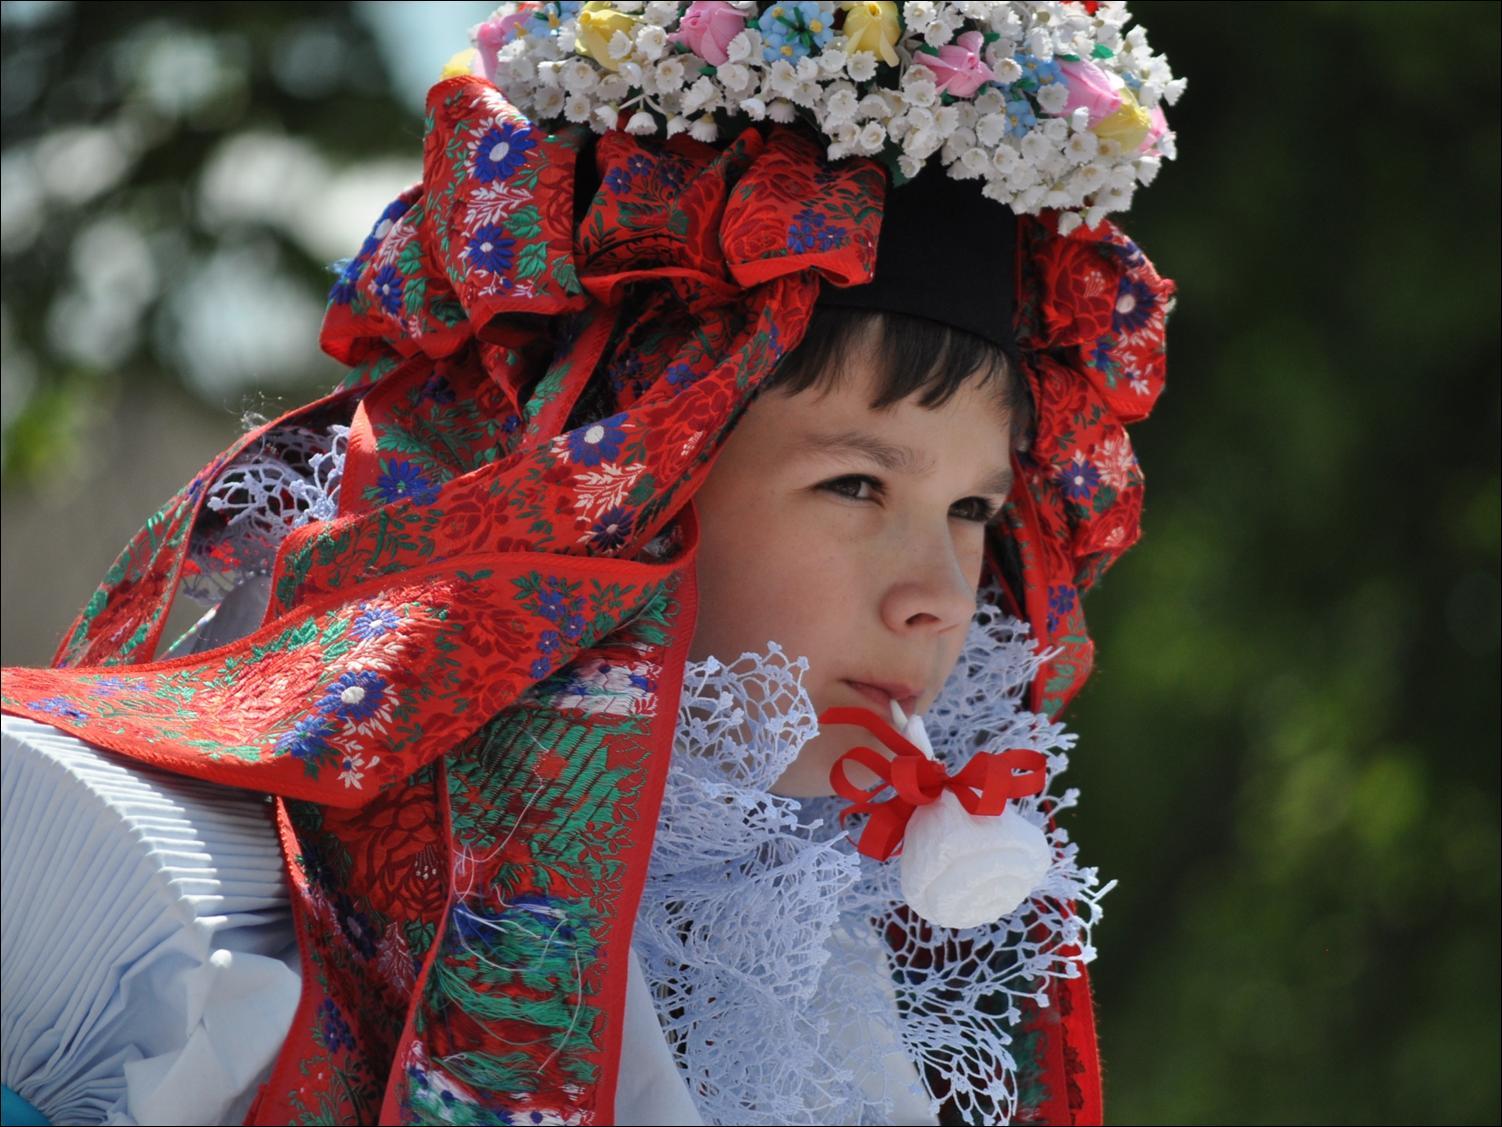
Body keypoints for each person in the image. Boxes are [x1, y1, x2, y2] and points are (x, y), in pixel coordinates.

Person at [0, 3, 1180, 1124]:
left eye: (972, 506)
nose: (934, 597)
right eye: (855, 485)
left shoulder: (837, 983)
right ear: (616, 487)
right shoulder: (144, 907)